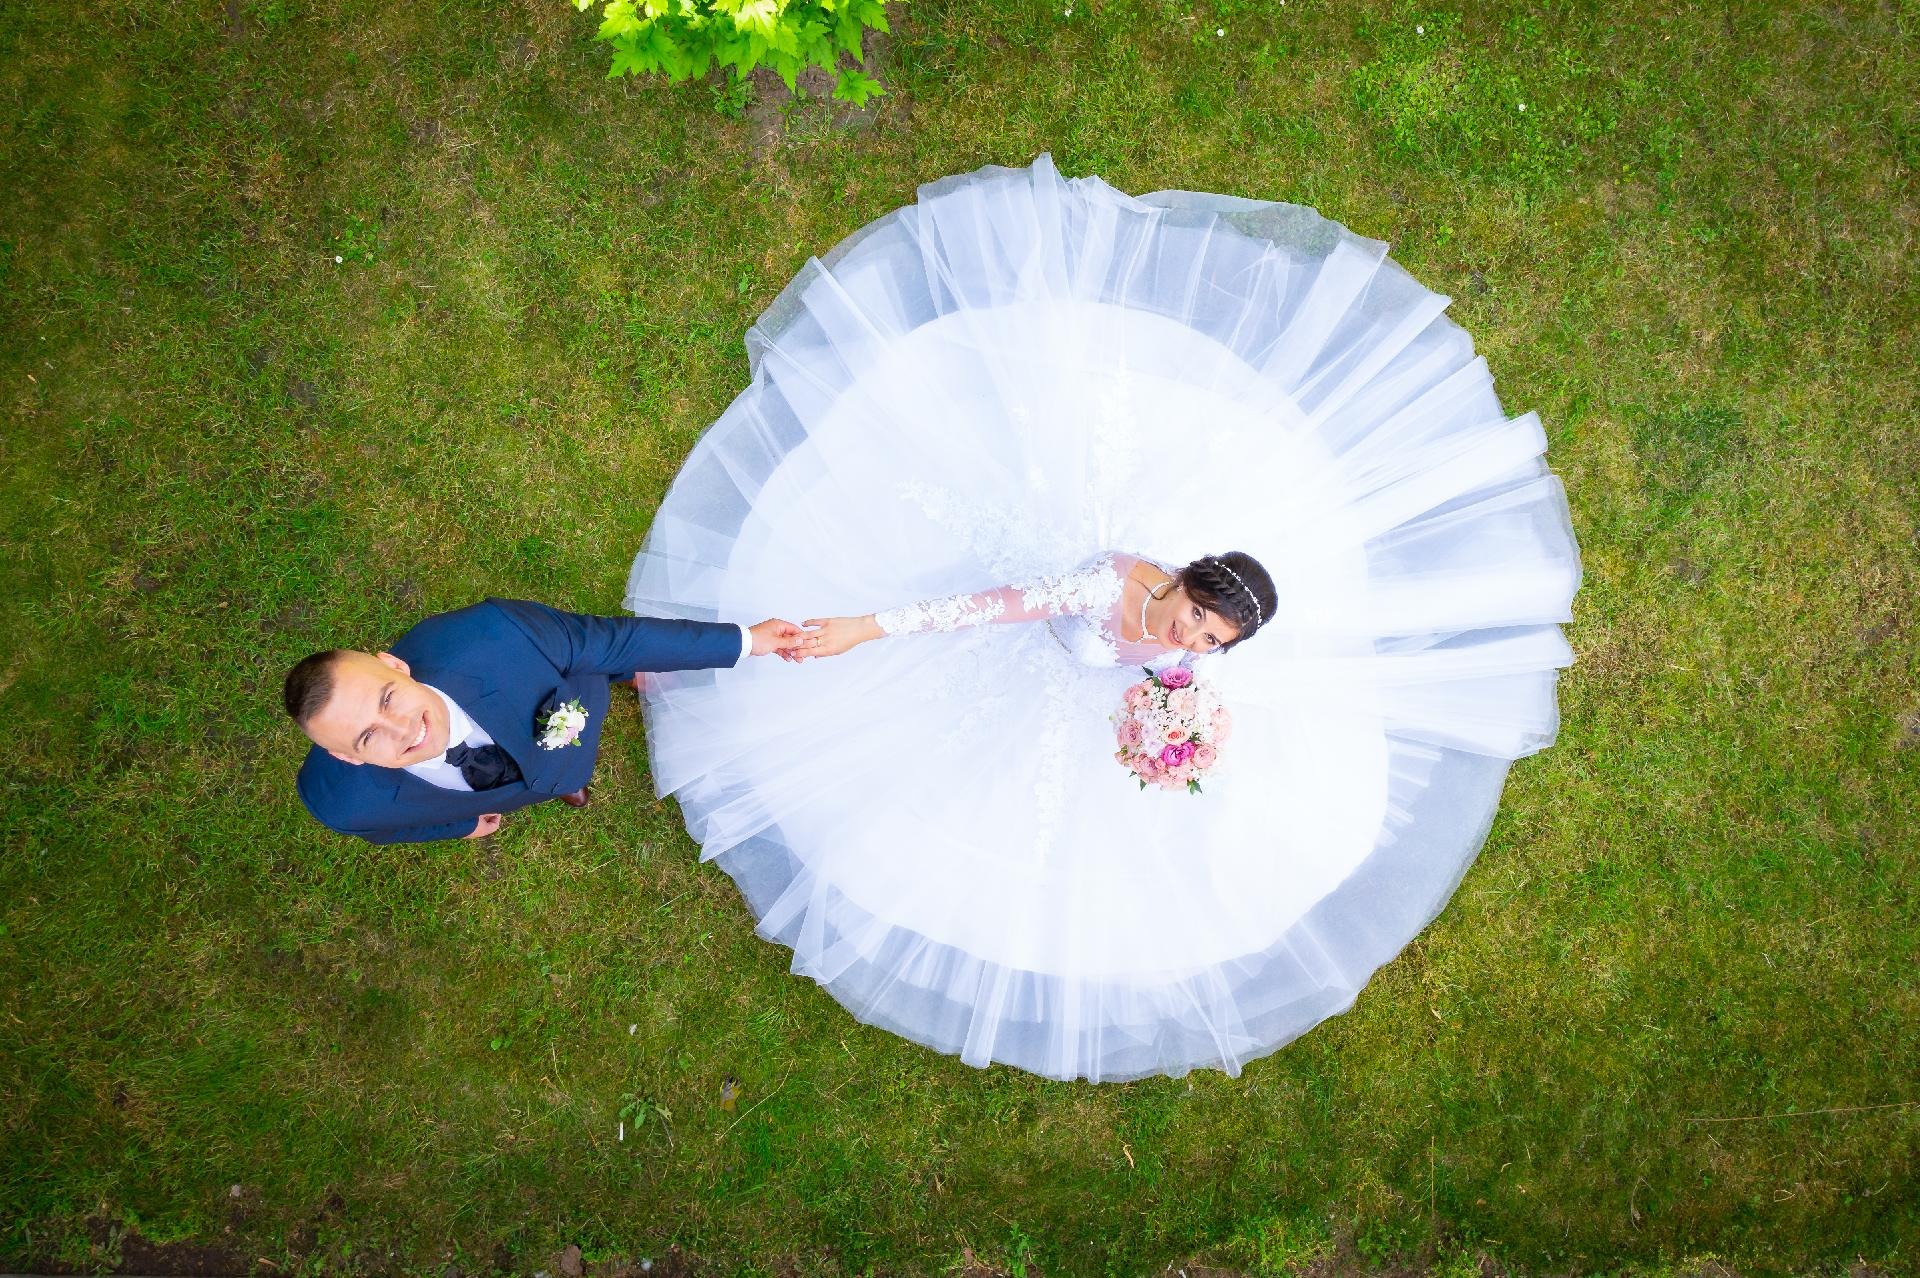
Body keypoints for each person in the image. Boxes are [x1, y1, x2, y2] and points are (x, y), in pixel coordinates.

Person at [625, 155, 1581, 1082]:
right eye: (1196, 620)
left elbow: (1174, 671)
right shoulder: (1097, 592)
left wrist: (1174, 720)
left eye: (1212, 642)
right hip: (1036, 632)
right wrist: (857, 630)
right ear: (1186, 584)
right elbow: (971, 611)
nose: (1189, 642)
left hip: (1092, 665)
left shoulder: (1188, 652)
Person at [284, 598, 810, 844]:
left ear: (395, 666)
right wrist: (461, 825)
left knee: (599, 666)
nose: (403, 729)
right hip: (510, 774)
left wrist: (748, 640)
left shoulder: (501, 635)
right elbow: (387, 829)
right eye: (368, 736)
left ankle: (616, 691)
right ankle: (561, 784)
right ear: (346, 756)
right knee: (550, 778)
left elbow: (616, 639)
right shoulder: (343, 805)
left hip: (562, 690)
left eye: (387, 698)